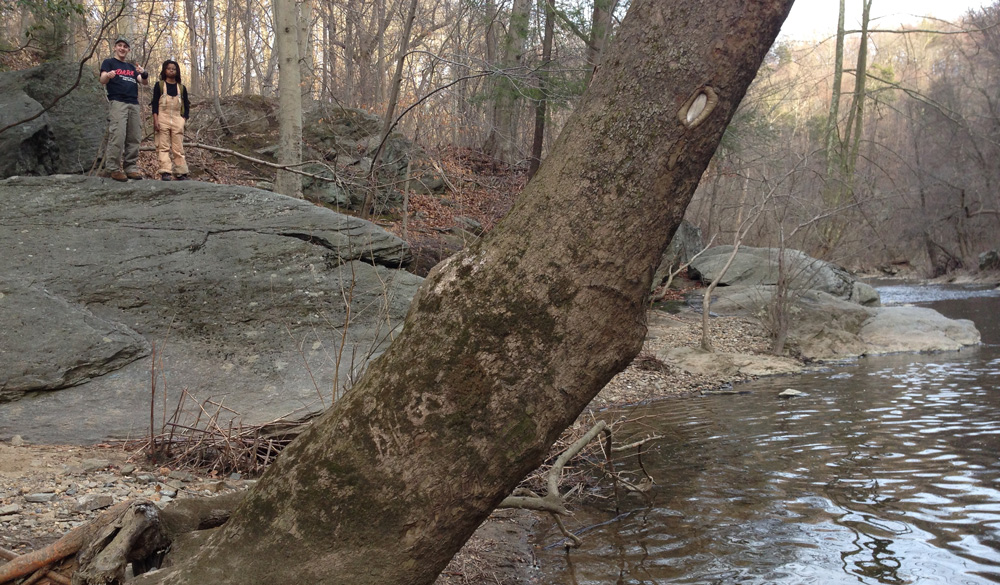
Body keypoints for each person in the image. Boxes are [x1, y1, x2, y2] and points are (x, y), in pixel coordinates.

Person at [99, 37, 148, 182]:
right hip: (118, 102)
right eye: (119, 46)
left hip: (133, 103)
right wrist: (108, 75)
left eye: (125, 47)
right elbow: (102, 80)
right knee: (118, 135)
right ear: (115, 47)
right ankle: (113, 168)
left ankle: (131, 168)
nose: (122, 48)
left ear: (128, 50)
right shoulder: (109, 63)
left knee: (134, 136)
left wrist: (144, 73)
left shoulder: (132, 68)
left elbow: (143, 82)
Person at [151, 60, 191, 181]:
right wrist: (155, 120)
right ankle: (165, 172)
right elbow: (154, 104)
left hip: (177, 119)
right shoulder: (159, 85)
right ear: (164, 70)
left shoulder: (181, 88)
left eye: (174, 68)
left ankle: (181, 172)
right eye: (169, 68)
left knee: (178, 148)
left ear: (177, 71)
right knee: (163, 146)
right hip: (162, 118)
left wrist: (183, 120)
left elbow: (187, 106)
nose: (171, 70)